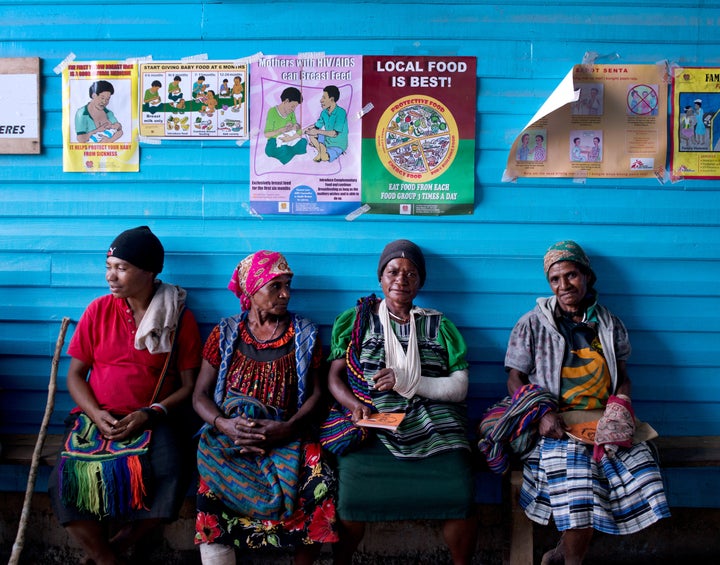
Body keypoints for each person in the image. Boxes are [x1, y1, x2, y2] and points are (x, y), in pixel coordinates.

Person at [502, 240, 670, 564]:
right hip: (556, 424)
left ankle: (559, 555)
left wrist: (620, 405)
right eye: (555, 279)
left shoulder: (609, 324)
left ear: (587, 276)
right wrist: (540, 415)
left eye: (572, 275)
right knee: (582, 485)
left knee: (642, 468)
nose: (564, 285)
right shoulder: (533, 323)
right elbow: (514, 378)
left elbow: (623, 376)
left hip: (601, 419)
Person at [48, 226, 202, 565]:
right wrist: (94, 413)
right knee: (65, 481)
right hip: (96, 417)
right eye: (108, 267)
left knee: (174, 473)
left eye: (121, 268)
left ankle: (114, 548)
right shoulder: (98, 310)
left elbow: (189, 386)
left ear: (149, 272)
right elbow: (74, 376)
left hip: (152, 420)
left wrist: (150, 413)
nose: (111, 277)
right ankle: (107, 559)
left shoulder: (177, 318)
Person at [322, 239, 477, 565]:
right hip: (373, 418)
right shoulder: (357, 320)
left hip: (432, 419)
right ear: (380, 277)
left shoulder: (439, 325)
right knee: (352, 490)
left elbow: (459, 388)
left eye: (411, 274)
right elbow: (334, 378)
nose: (401, 280)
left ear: (420, 282)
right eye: (393, 271)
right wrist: (353, 406)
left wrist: (410, 382)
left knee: (458, 483)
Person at [192, 250, 338, 565]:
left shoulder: (304, 334)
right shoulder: (225, 333)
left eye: (288, 285)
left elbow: (317, 394)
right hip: (232, 437)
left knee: (320, 483)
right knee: (209, 492)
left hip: (289, 432)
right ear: (252, 290)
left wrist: (289, 428)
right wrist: (224, 425)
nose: (285, 294)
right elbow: (199, 395)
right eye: (275, 286)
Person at [263, 86, 308, 165]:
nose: (293, 109)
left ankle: (289, 152)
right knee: (281, 149)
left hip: (289, 139)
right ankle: (289, 152)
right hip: (274, 141)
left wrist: (295, 126)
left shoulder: (291, 113)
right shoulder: (272, 112)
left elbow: (297, 128)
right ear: (286, 101)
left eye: (295, 107)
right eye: (292, 106)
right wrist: (280, 130)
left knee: (304, 141)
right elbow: (266, 134)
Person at [304, 85, 348, 162]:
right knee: (311, 134)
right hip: (327, 140)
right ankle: (321, 151)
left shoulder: (341, 112)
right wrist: (303, 131)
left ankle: (322, 152)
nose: (321, 100)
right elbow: (316, 126)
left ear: (332, 99)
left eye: (324, 98)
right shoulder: (324, 113)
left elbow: (334, 134)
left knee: (324, 158)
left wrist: (316, 131)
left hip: (338, 144)